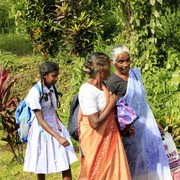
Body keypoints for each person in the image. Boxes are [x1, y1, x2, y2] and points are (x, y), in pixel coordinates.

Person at [106, 44, 173, 180]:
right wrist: (125, 127)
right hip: (130, 132)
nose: (125, 64)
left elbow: (143, 102)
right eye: (121, 61)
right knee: (135, 166)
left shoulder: (135, 75)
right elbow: (113, 108)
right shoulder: (112, 83)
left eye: (127, 60)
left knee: (152, 163)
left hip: (148, 127)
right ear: (113, 62)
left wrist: (156, 124)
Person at [78, 52, 131, 180]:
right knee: (99, 174)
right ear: (102, 69)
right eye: (109, 67)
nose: (111, 71)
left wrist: (126, 125)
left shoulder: (103, 87)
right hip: (95, 140)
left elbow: (109, 114)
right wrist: (112, 103)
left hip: (111, 137)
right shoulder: (87, 90)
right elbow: (94, 123)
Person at [23, 61, 78, 180]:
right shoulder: (35, 92)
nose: (56, 78)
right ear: (45, 76)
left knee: (65, 159)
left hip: (55, 126)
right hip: (42, 130)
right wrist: (58, 137)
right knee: (41, 163)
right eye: (53, 76)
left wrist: (61, 129)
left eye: (57, 75)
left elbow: (53, 110)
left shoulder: (52, 87)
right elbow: (41, 120)